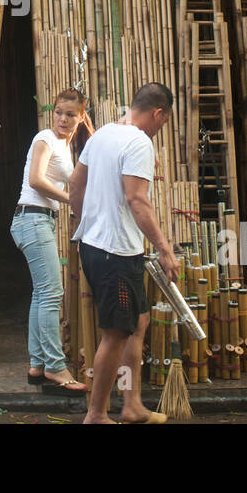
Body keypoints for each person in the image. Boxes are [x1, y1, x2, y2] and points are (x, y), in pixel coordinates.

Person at [69, 82, 179, 424]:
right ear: (158, 113)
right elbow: (137, 199)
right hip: (115, 254)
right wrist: (164, 248)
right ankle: (96, 414)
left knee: (139, 321)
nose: (160, 128)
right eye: (163, 121)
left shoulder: (102, 134)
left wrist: (86, 219)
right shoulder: (138, 142)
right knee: (116, 333)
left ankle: (131, 404)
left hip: (94, 246)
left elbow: (75, 183)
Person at [12, 89, 92, 392]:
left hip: (38, 219)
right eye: (59, 111)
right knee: (51, 293)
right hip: (31, 218)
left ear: (80, 116)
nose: (62, 118)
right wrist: (72, 200)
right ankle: (56, 368)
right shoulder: (44, 137)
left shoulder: (64, 145)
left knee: (40, 294)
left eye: (70, 114)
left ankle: (37, 364)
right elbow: (35, 180)